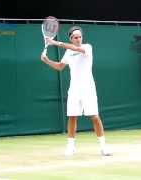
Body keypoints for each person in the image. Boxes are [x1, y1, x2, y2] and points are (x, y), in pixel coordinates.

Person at [40, 26, 112, 156]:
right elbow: (60, 67)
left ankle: (103, 147)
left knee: (95, 117)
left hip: (88, 89)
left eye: (80, 37)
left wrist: (55, 42)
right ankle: (71, 147)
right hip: (74, 90)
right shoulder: (68, 53)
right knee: (72, 117)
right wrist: (47, 61)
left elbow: (76, 48)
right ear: (71, 38)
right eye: (75, 37)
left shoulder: (87, 47)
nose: (78, 39)